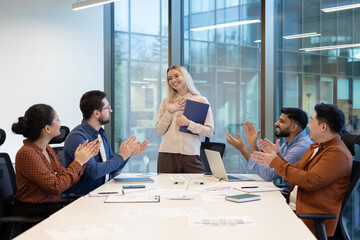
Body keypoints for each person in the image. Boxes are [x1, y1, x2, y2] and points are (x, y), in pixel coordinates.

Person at [252, 103, 352, 237]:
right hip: (295, 209)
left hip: (309, 218)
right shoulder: (317, 147)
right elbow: (294, 171)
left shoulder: (337, 154)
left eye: (312, 121)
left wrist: (275, 162)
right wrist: (278, 156)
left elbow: (308, 181)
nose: (308, 126)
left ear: (323, 127)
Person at [11, 104, 101, 218]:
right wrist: (78, 162)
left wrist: (82, 161)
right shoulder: (27, 153)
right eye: (57, 119)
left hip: (51, 209)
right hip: (34, 215)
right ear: (47, 128)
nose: (60, 123)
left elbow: (65, 180)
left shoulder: (47, 149)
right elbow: (56, 187)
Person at [63, 90, 148, 196]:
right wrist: (121, 156)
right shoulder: (78, 137)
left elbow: (113, 170)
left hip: (103, 192)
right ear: (96, 113)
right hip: (83, 197)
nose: (111, 110)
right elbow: (93, 172)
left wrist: (127, 154)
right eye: (107, 108)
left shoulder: (101, 133)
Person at [225, 108, 312, 193]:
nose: (276, 123)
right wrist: (252, 144)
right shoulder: (287, 144)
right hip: (288, 191)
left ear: (293, 127)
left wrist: (242, 149)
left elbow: (268, 174)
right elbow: (265, 167)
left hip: (295, 197)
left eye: (281, 121)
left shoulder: (301, 147)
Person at [156, 65, 214, 173]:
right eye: (169, 78)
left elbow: (209, 132)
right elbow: (160, 131)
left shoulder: (200, 100)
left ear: (185, 76)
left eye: (176, 76)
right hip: (167, 154)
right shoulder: (166, 101)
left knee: (197, 188)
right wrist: (169, 111)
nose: (173, 80)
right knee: (167, 189)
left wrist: (188, 123)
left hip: (191, 155)